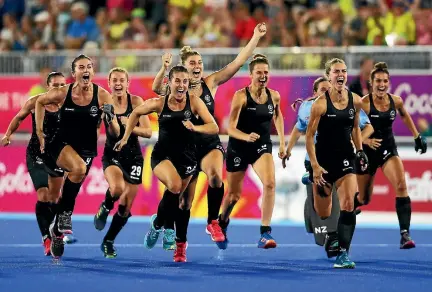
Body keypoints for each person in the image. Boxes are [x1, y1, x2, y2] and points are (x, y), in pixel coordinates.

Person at [152, 23, 267, 249]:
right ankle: (180, 245)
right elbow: (157, 89)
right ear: (183, 69)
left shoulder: (210, 83)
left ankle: (213, 222)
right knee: (184, 202)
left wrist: (255, 37)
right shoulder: (174, 88)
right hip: (185, 151)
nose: (197, 67)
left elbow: (237, 63)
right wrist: (164, 69)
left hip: (209, 144)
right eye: (192, 63)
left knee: (215, 176)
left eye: (200, 63)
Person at [115, 65, 219, 262]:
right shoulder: (159, 103)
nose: (181, 85)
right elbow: (136, 113)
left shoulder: (194, 102)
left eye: (185, 81)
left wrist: (195, 127)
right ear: (169, 83)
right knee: (174, 186)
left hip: (187, 159)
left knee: (176, 195)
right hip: (162, 156)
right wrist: (126, 136)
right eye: (177, 81)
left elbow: (213, 126)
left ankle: (158, 222)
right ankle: (163, 229)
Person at [283, 76, 373, 258]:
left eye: (327, 87)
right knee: (324, 210)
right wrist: (288, 149)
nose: (326, 91)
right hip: (315, 158)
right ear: (315, 93)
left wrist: (356, 144)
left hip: (342, 157)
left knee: (345, 201)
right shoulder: (309, 107)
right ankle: (314, 198)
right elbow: (299, 129)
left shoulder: (348, 101)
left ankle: (336, 241)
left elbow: (365, 126)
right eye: (322, 89)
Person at [35, 54, 114, 259]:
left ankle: (57, 232)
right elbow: (39, 102)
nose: (85, 70)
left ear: (93, 71)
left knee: (70, 193)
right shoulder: (63, 92)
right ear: (74, 73)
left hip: (86, 150)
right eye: (81, 67)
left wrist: (111, 118)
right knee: (77, 169)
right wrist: (39, 132)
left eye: (89, 66)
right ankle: (63, 218)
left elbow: (113, 130)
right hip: (60, 144)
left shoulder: (103, 95)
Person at [356, 62, 428, 249]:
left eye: (385, 81)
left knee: (401, 184)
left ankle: (405, 234)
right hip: (367, 155)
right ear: (371, 83)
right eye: (378, 80)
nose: (381, 84)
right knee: (364, 199)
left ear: (389, 82)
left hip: (388, 150)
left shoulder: (396, 101)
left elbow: (404, 115)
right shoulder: (363, 104)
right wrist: (365, 141)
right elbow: (352, 129)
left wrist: (417, 136)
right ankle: (346, 207)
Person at [218, 54, 286, 249]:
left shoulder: (274, 96)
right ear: (250, 74)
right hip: (239, 147)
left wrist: (282, 143)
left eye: (266, 72)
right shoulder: (241, 96)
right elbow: (230, 127)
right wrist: (245, 136)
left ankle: (265, 233)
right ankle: (222, 221)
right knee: (234, 195)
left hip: (261, 146)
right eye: (259, 72)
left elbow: (278, 116)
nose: (263, 76)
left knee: (270, 183)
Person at [306, 58, 369, 269]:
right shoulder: (320, 104)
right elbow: (309, 136)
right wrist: (314, 165)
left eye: (343, 71)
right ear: (329, 76)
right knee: (323, 212)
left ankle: (343, 253)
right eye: (336, 71)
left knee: (349, 204)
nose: (340, 74)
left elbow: (354, 128)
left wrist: (360, 151)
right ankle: (311, 184)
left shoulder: (355, 100)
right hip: (323, 163)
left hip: (345, 159)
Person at [1, 72, 73, 256]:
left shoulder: (68, 104)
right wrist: (8, 135)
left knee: (55, 197)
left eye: (62, 85)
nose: (59, 88)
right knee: (43, 194)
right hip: (36, 154)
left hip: (57, 156)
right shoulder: (36, 101)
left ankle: (54, 231)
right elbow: (19, 117)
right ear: (47, 86)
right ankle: (46, 239)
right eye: (55, 85)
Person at [93, 67, 152, 258]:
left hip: (134, 157)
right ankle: (105, 206)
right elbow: (113, 134)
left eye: (121, 80)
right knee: (117, 189)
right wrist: (110, 122)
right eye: (114, 80)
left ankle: (108, 241)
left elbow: (148, 132)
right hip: (112, 155)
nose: (118, 84)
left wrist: (129, 125)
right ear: (109, 84)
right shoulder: (104, 104)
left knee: (126, 206)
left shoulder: (136, 102)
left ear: (128, 83)